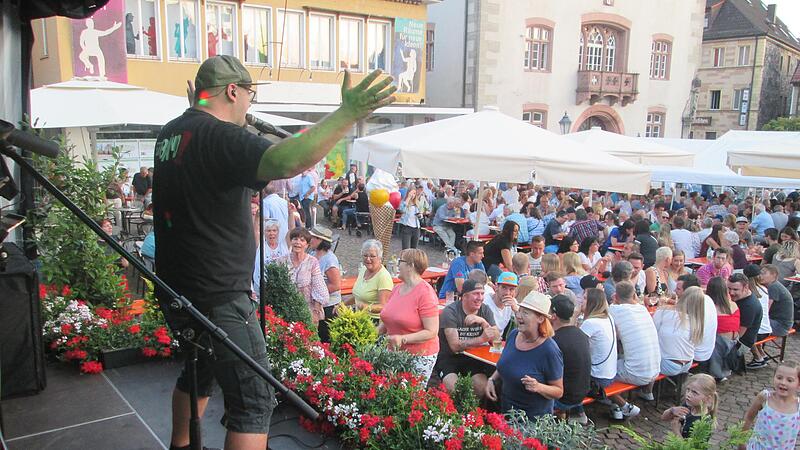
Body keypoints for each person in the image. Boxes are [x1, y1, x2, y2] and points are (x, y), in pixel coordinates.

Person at [153, 55, 395, 449]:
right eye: (249, 94)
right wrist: (348, 112)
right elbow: (286, 160)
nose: (249, 105)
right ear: (233, 91)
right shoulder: (219, 135)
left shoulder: (171, 133)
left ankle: (181, 445)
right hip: (218, 292)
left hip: (178, 286)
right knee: (255, 398)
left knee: (198, 369)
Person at [486, 291, 564, 419]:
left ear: (540, 318)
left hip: (532, 421)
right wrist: (492, 379)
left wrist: (538, 387)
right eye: (519, 311)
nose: (519, 316)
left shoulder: (549, 350)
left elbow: (558, 391)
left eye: (525, 313)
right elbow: (506, 363)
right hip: (506, 412)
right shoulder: (513, 335)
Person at [379, 249, 440, 385]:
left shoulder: (425, 293)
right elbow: (388, 318)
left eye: (400, 262)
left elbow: (432, 331)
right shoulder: (397, 289)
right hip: (393, 352)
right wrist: (369, 332)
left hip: (419, 355)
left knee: (409, 397)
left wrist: (403, 339)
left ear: (410, 265)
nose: (396, 265)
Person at [438, 280, 501, 399]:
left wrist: (484, 322)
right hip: (449, 357)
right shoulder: (450, 311)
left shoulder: (485, 310)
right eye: (476, 293)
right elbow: (455, 346)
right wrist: (482, 339)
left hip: (472, 358)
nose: (480, 298)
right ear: (464, 296)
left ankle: (476, 414)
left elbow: (497, 342)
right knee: (454, 388)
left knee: (482, 387)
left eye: (482, 294)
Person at [607, 281, 660, 410]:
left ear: (615, 296)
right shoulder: (642, 309)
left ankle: (620, 407)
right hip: (656, 370)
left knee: (602, 371)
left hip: (636, 374)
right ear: (634, 296)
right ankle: (647, 392)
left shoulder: (614, 310)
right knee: (624, 355)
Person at [648, 286, 705, 396]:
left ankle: (647, 391)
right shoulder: (698, 321)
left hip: (668, 364)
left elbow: (652, 332)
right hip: (687, 363)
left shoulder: (665, 311)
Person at [550, 294, 592, 424]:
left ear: (553, 316)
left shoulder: (554, 341)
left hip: (564, 398)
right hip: (582, 392)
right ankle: (576, 413)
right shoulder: (581, 334)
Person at [742, 360, 800, 450]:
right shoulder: (764, 398)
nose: (783, 382)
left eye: (789, 380)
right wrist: (741, 442)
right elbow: (749, 419)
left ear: (798, 384)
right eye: (779, 377)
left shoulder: (798, 406)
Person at [276, 227, 326, 325]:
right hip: (286, 311)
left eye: (302, 240)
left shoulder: (312, 262)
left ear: (307, 245)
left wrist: (315, 313)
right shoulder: (281, 261)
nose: (297, 242)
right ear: (291, 241)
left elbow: (319, 288)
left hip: (307, 311)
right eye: (295, 239)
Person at [660, 374, 718, 440]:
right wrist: (671, 410)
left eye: (694, 392)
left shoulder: (704, 423)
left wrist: (676, 430)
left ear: (708, 399)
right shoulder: (688, 406)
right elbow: (663, 418)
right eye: (688, 390)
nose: (688, 394)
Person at [309, 226, 341, 343]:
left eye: (313, 238)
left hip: (328, 307)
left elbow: (336, 285)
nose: (310, 240)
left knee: (325, 339)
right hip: (315, 305)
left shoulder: (329, 259)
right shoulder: (312, 254)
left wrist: (316, 293)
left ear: (320, 240)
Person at [349, 239, 394, 320]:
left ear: (380, 257)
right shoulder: (363, 269)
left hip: (375, 321)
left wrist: (366, 307)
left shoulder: (383, 277)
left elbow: (384, 306)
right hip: (359, 317)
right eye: (365, 255)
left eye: (372, 256)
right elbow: (357, 296)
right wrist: (342, 304)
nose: (368, 259)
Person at [251, 221, 289, 300]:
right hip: (262, 289)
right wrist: (258, 217)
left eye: (274, 230)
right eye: (268, 231)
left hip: (281, 287)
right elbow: (255, 231)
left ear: (278, 232)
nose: (271, 233)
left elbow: (292, 229)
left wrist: (291, 213)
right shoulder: (261, 245)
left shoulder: (284, 245)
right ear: (264, 232)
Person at [745, 264, 773, 369]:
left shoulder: (750, 292)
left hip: (759, 331)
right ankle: (762, 354)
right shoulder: (763, 289)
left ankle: (758, 358)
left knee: (744, 333)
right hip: (767, 328)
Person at [728, 273, 763, 352]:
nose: (731, 293)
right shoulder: (741, 297)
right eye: (729, 288)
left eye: (735, 290)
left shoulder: (749, 307)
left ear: (746, 287)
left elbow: (739, 334)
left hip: (742, 343)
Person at [760, 264, 794, 338]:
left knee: (751, 324)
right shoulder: (771, 285)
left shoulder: (773, 287)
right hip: (779, 322)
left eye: (764, 273)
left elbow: (766, 308)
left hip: (780, 326)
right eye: (760, 273)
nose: (760, 276)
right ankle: (757, 348)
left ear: (773, 275)